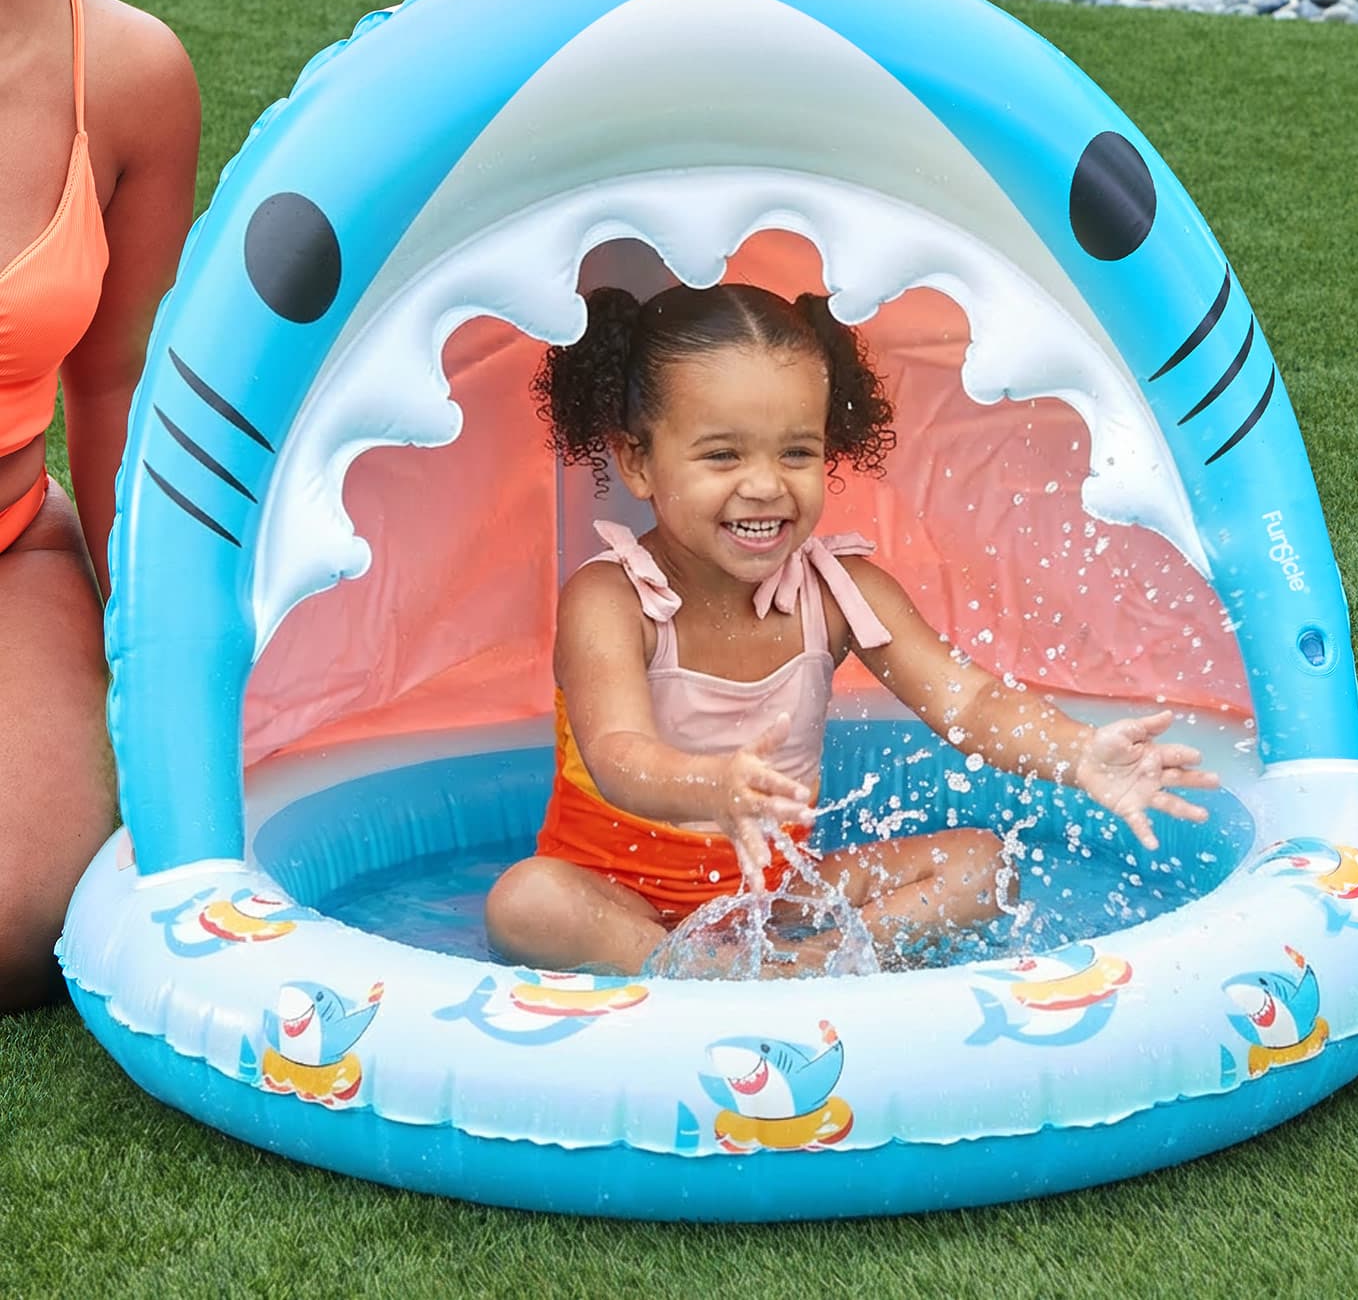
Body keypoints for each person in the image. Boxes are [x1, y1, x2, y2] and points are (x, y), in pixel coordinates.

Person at [486, 284, 1217, 976]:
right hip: (618, 899)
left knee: (982, 866)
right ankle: (694, 970)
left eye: (796, 451)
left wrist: (1080, 754)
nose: (766, 484)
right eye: (722, 454)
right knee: (526, 902)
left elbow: (969, 703)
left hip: (769, 900)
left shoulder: (839, 593)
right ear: (637, 461)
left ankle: (812, 965)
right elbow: (617, 755)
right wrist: (714, 785)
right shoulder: (611, 598)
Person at [0, 0, 200, 1011]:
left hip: (11, 540)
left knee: (23, 918)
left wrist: (156, 654)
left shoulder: (121, 70)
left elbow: (115, 381)